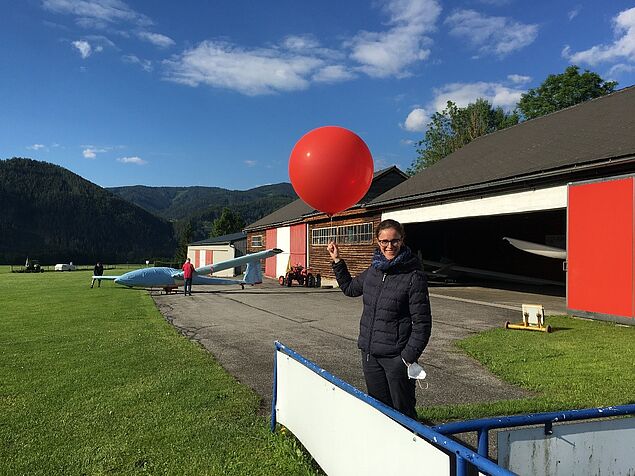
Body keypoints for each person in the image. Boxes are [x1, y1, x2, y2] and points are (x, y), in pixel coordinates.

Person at [327, 219, 432, 420]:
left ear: (402, 240)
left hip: (396, 358)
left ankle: (409, 447)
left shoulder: (413, 275)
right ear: (377, 241)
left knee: (403, 413)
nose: (389, 246)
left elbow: (422, 324)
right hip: (370, 355)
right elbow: (350, 289)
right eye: (384, 241)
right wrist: (337, 261)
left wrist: (406, 358)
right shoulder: (374, 270)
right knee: (378, 410)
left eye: (395, 241)